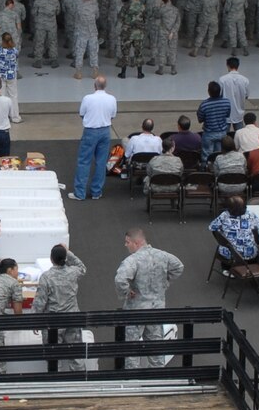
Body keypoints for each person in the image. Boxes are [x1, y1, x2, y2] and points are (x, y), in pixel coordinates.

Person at [115, 228, 183, 365]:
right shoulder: (163, 256)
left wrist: (127, 292)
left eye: (127, 242)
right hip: (156, 309)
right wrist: (165, 283)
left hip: (136, 310)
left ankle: (132, 380)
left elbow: (120, 279)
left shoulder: (132, 260)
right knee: (155, 346)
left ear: (136, 242)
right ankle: (156, 379)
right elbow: (179, 267)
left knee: (131, 348)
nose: (126, 245)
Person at [73, 75, 117, 201]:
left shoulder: (88, 98)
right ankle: (96, 192)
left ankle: (80, 193)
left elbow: (82, 113)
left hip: (90, 131)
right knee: (101, 162)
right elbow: (112, 115)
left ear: (95, 85)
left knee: (84, 161)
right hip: (105, 131)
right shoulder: (112, 99)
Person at [209, 196, 259, 263]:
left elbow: (212, 227)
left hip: (228, 253)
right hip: (249, 253)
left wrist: (221, 240)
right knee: (255, 233)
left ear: (228, 208)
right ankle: (251, 263)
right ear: (244, 207)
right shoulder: (250, 215)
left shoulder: (224, 215)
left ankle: (226, 267)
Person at [34, 244, 86, 312]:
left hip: (54, 320)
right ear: (65, 258)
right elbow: (82, 267)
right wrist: (68, 252)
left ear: (51, 259)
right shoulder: (73, 272)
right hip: (73, 318)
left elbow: (39, 304)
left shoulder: (46, 277)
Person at [196, 82, 235, 154]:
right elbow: (227, 115)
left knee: (206, 155)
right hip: (222, 133)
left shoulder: (204, 105)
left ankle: (206, 165)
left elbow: (200, 119)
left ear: (209, 92)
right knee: (220, 153)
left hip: (209, 133)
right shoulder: (226, 102)